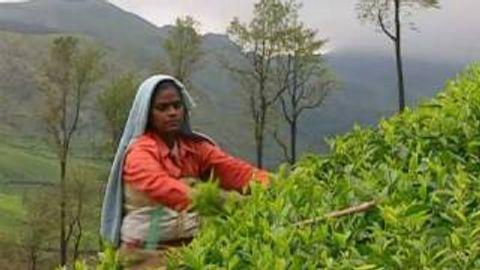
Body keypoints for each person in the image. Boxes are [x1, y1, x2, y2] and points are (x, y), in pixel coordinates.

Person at [100, 75, 268, 268]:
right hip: (145, 254)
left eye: (176, 106)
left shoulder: (194, 149)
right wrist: (221, 200)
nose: (172, 113)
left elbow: (238, 172)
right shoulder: (140, 153)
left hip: (191, 251)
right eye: (162, 108)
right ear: (148, 113)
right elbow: (163, 188)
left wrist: (280, 186)